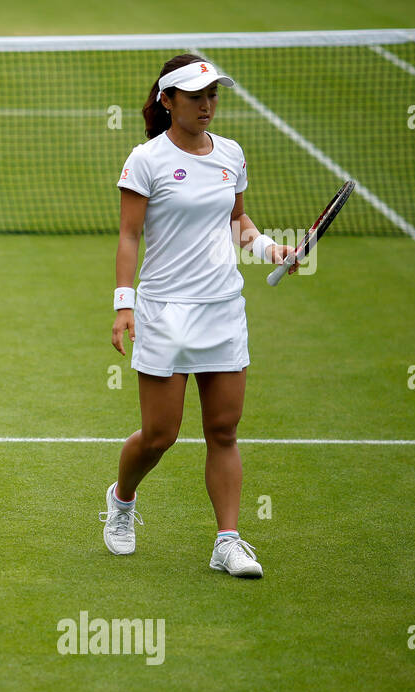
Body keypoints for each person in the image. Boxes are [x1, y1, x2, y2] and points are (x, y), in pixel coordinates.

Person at [102, 54, 295, 578]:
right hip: (164, 311)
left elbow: (237, 222)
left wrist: (271, 249)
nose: (207, 106)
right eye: (195, 97)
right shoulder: (145, 160)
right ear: (168, 102)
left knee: (224, 430)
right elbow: (129, 235)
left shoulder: (231, 154)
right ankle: (121, 501)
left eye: (213, 96)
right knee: (159, 435)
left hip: (222, 309)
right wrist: (124, 305)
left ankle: (227, 541)